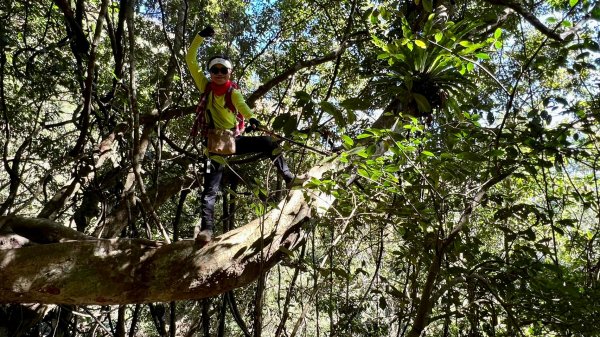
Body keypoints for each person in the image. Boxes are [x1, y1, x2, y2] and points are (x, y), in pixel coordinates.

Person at [186, 26, 300, 244]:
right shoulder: (206, 86)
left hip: (233, 140)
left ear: (229, 73)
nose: (218, 73)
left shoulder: (233, 92)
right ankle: (206, 231)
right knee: (210, 188)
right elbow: (190, 59)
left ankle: (289, 177)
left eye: (223, 70)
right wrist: (199, 37)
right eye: (215, 70)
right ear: (210, 73)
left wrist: (253, 120)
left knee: (268, 142)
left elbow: (243, 106)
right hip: (211, 146)